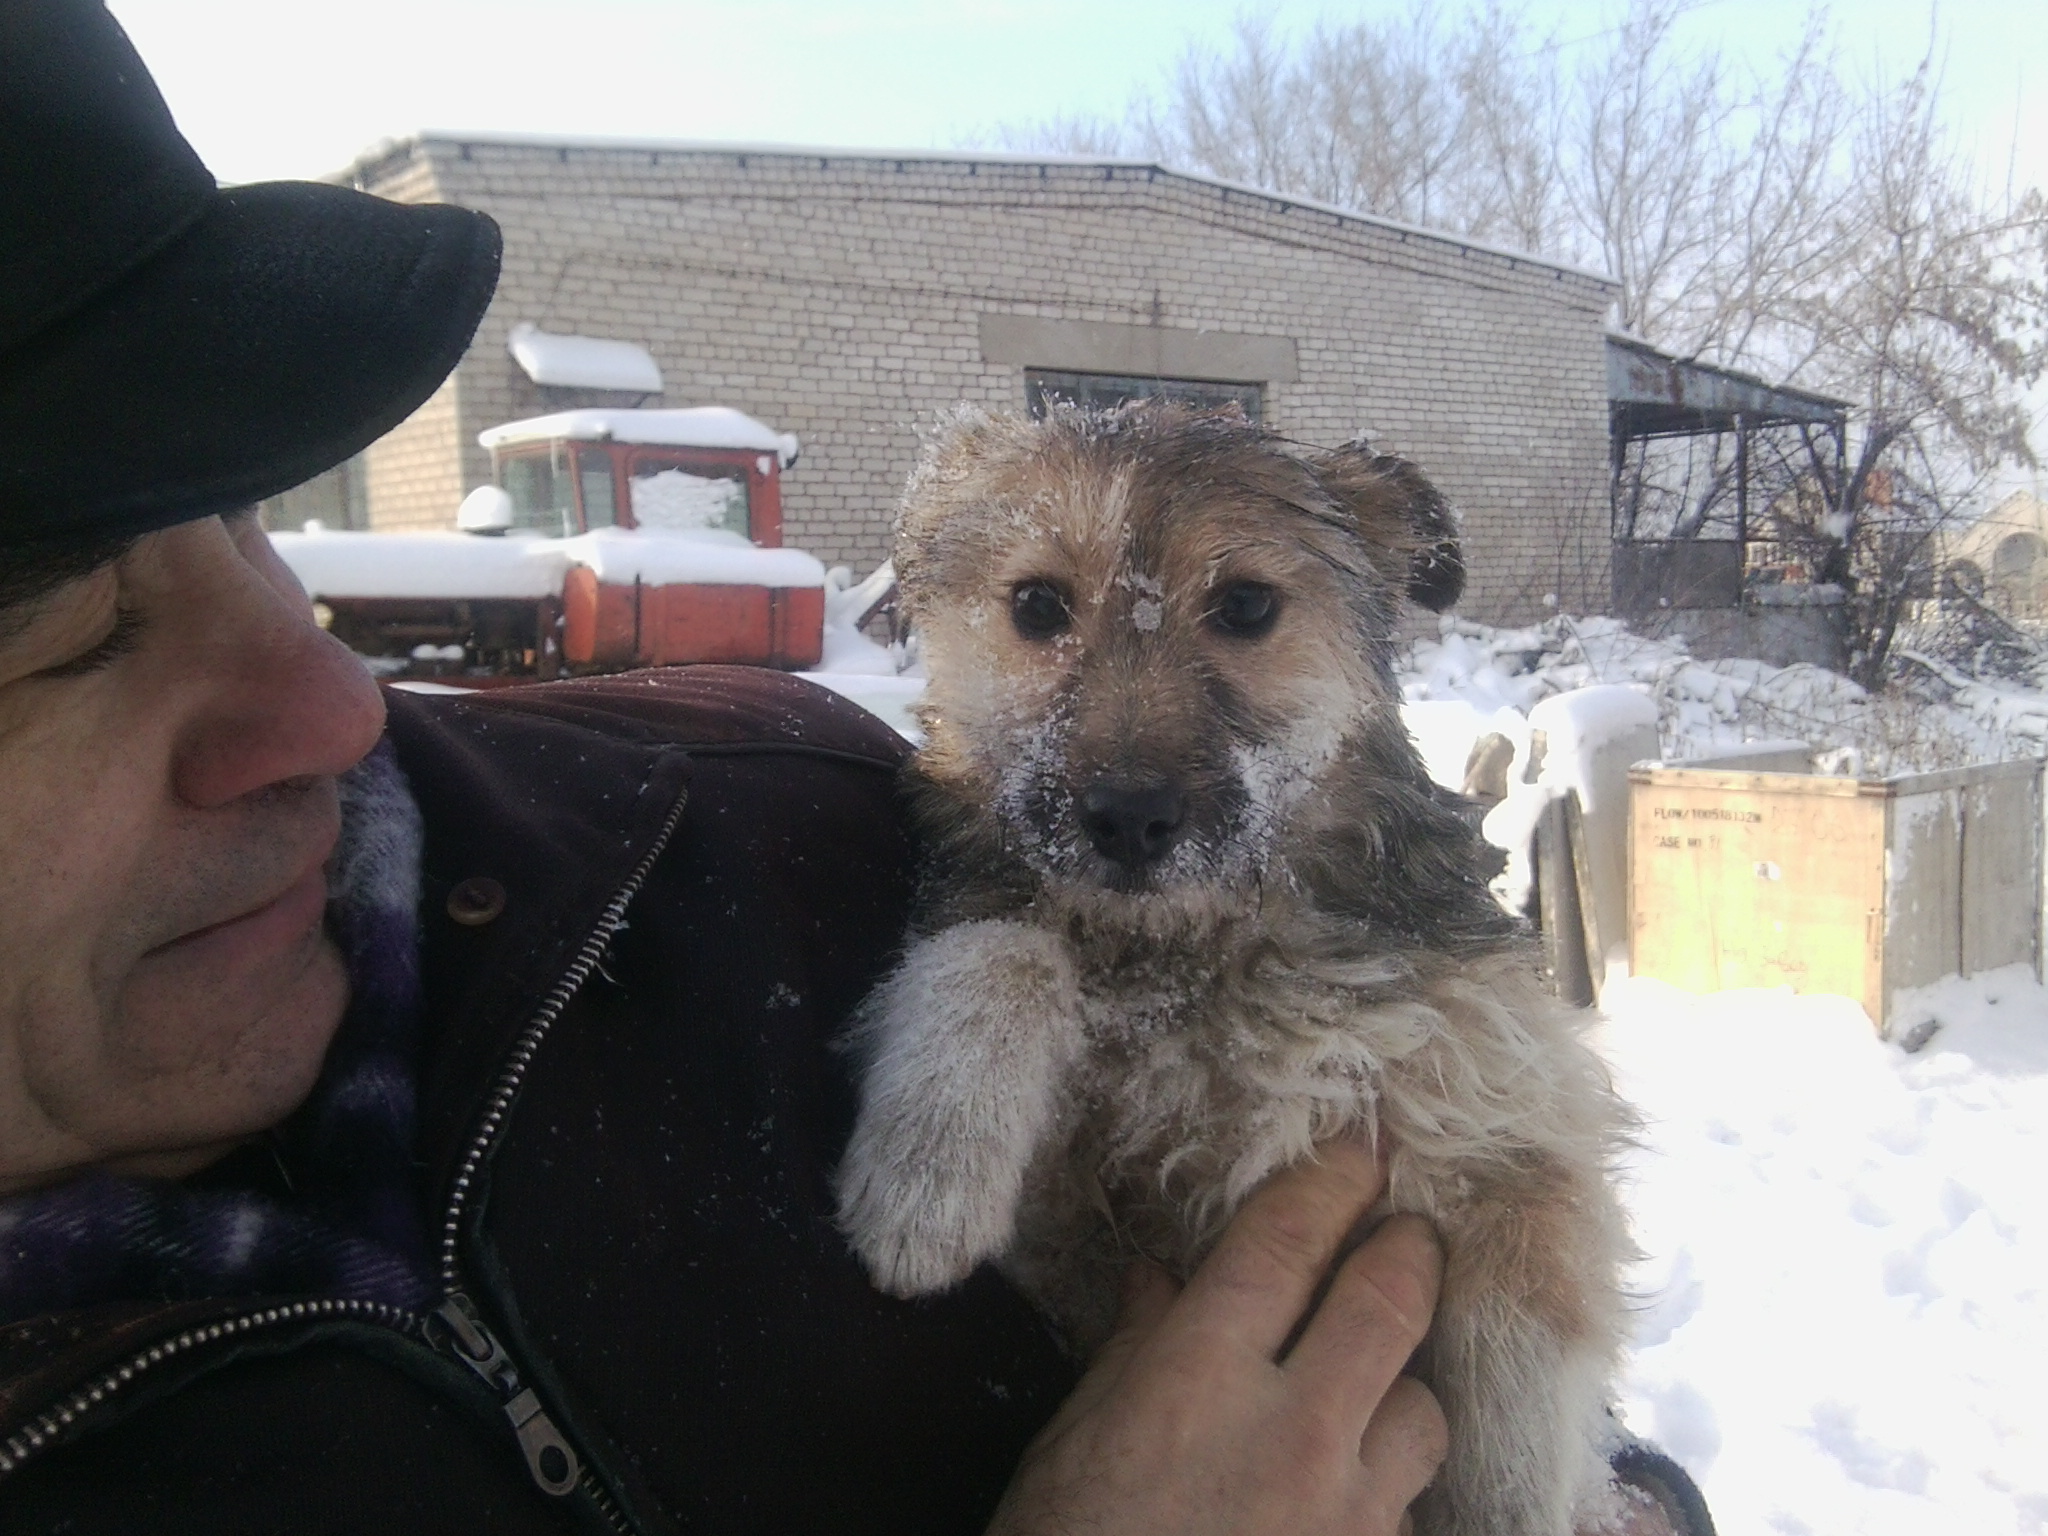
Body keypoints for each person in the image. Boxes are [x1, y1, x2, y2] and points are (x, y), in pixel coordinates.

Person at [0, 5, 1708, 1533]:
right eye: (63, 627)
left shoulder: (762, 797)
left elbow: (1537, 1364)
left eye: (247, 517)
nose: (340, 703)